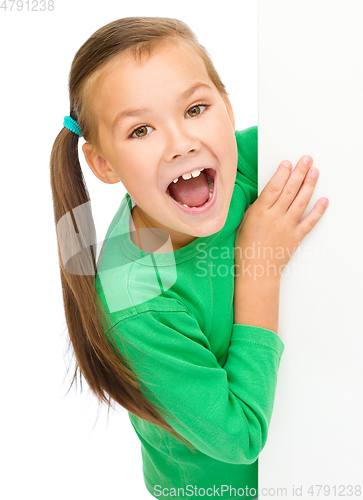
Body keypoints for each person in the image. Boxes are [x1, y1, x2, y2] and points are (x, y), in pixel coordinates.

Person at [49, 17, 329, 500]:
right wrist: (258, 266)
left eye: (196, 108)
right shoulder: (139, 307)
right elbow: (239, 438)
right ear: (104, 164)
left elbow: (333, 132)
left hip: (305, 442)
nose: (182, 143)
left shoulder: (240, 161)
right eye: (140, 130)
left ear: (227, 106)